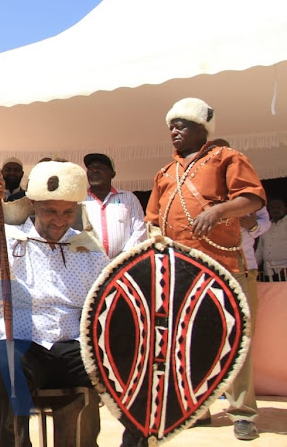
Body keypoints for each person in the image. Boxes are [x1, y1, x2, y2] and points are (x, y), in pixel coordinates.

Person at [145, 97, 265, 442]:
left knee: (236, 339)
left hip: (225, 266)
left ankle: (243, 412)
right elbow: (153, 219)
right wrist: (156, 242)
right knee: (188, 341)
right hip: (181, 270)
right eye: (171, 125)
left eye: (182, 125)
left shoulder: (227, 158)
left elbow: (253, 199)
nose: (174, 131)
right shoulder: (165, 172)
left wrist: (217, 211)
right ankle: (198, 408)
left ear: (202, 129)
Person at [0, 160, 106, 446]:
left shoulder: (88, 250)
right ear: (33, 204)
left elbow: (104, 303)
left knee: (116, 371)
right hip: (18, 341)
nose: (59, 220)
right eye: (50, 211)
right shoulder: (9, 240)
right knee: (1, 367)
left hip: (71, 344)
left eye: (68, 212)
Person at [83, 153, 146, 258]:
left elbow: (140, 230)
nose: (95, 171)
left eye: (101, 168)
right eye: (91, 168)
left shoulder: (129, 198)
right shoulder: (79, 200)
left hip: (122, 265)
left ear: (113, 174)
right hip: (86, 266)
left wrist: (123, 258)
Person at [256, 198, 287, 281]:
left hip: (285, 270)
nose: (275, 210)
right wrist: (252, 268)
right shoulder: (266, 226)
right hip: (269, 272)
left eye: (278, 207)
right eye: (272, 208)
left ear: (285, 208)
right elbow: (260, 250)